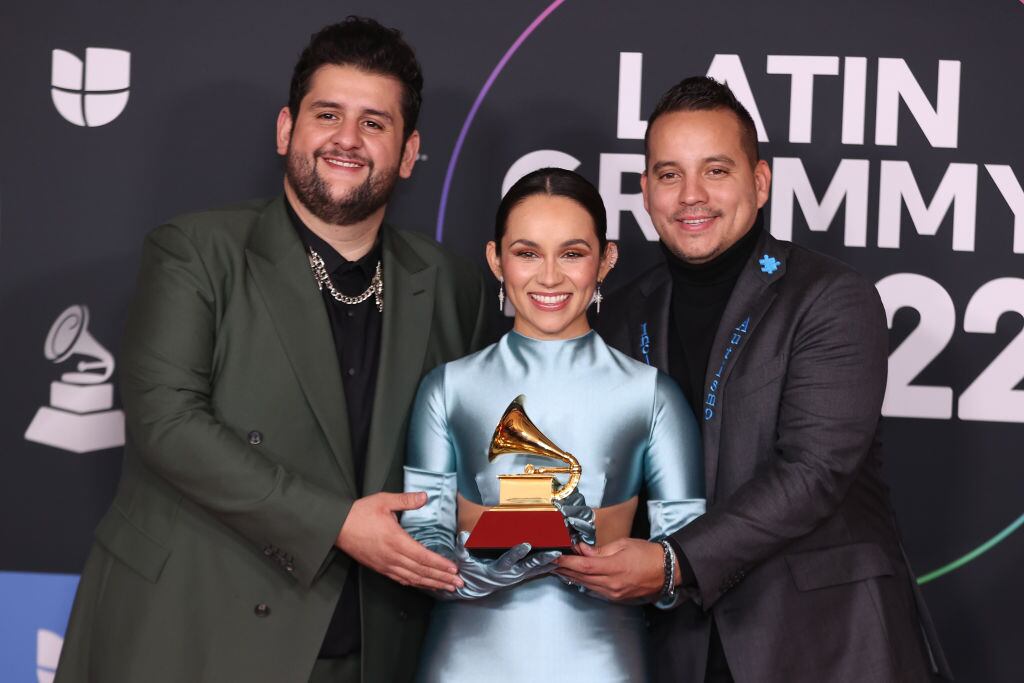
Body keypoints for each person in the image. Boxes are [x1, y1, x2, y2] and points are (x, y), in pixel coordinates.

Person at [54, 17, 487, 683]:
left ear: (408, 151)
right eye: (328, 114)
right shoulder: (196, 251)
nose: (347, 139)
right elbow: (168, 423)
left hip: (372, 651)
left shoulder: (454, 285)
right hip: (194, 639)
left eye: (375, 122)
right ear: (288, 128)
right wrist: (338, 522)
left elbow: (476, 457)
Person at [558, 77, 953, 683]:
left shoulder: (831, 298)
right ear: (645, 191)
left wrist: (673, 562)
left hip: (825, 641)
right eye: (669, 174)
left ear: (760, 181)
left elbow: (813, 472)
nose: (691, 196)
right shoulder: (624, 312)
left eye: (715, 171)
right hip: (677, 647)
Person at [399, 167, 705, 682]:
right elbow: (423, 529)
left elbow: (689, 554)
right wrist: (463, 573)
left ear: (605, 259)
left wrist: (644, 572)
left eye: (571, 253)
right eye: (526, 253)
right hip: (465, 658)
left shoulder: (652, 396)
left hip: (603, 660)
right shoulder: (446, 388)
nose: (548, 277)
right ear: (496, 258)